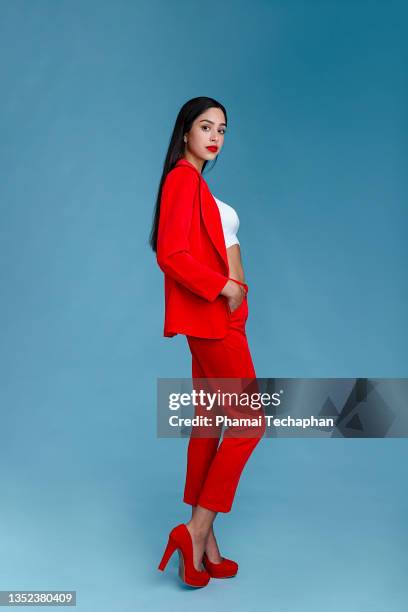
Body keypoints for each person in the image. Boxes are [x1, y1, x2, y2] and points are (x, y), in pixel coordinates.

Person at [149, 96, 265, 587]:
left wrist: (236, 293)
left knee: (210, 425)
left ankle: (204, 544)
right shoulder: (182, 179)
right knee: (248, 425)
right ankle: (194, 529)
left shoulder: (201, 189)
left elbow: (217, 244)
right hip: (217, 320)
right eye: (205, 126)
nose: (215, 136)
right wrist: (225, 288)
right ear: (185, 133)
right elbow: (171, 254)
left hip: (224, 321)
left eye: (222, 129)